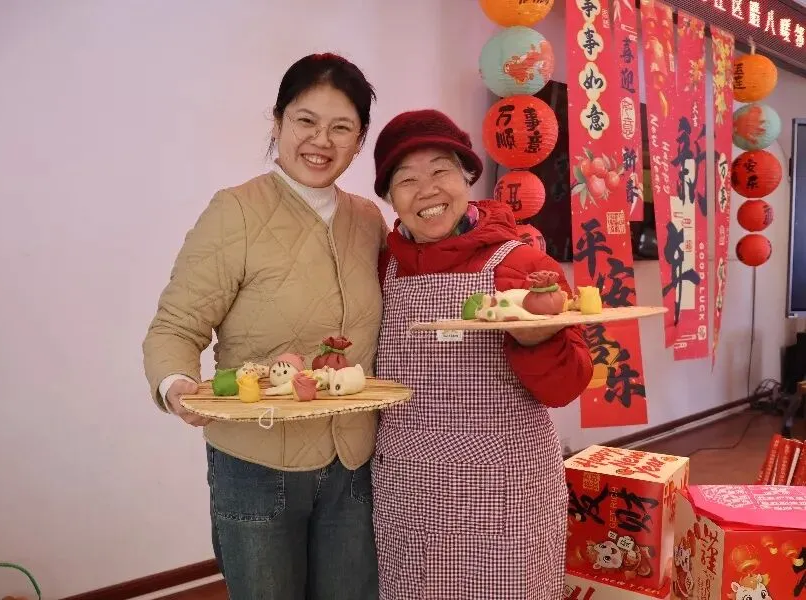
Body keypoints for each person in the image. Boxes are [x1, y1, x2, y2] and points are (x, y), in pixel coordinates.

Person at [142, 53, 387, 600]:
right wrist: (176, 384)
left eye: (341, 127)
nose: (321, 140)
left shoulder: (368, 220)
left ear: (359, 139)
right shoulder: (235, 211)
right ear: (277, 122)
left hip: (352, 462)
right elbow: (175, 326)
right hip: (255, 465)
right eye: (306, 120)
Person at [370, 109, 594, 599]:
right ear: (389, 198)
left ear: (467, 178)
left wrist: (539, 340)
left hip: (504, 490)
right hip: (408, 487)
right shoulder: (384, 268)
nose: (426, 190)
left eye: (441, 171)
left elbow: (567, 385)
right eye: (406, 180)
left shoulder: (524, 265)